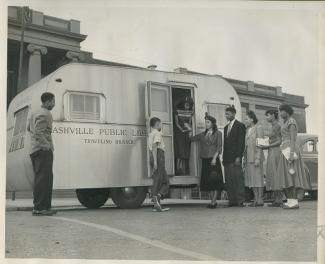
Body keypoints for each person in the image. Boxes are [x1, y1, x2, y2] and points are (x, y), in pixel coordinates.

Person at [27, 92, 56, 216]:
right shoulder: (45, 113)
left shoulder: (34, 112)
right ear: (48, 101)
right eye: (53, 102)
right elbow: (39, 132)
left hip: (35, 150)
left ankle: (40, 207)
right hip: (42, 150)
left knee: (41, 179)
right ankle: (41, 208)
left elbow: (29, 128)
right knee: (45, 179)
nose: (54, 104)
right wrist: (47, 145)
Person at [277, 104, 311, 209]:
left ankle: (294, 202)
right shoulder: (285, 122)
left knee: (292, 175)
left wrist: (291, 154)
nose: (280, 113)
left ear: (287, 111)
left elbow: (292, 139)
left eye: (282, 111)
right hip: (285, 150)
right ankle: (291, 200)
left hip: (290, 150)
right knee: (288, 176)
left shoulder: (291, 122)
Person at [190, 113, 224, 209]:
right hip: (205, 160)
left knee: (215, 180)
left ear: (213, 123)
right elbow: (192, 139)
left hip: (214, 159)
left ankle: (214, 201)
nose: (206, 124)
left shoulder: (218, 133)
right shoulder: (202, 134)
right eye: (205, 122)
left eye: (208, 122)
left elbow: (219, 147)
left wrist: (214, 158)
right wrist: (188, 129)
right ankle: (212, 201)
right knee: (209, 181)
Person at [223, 106, 246, 207]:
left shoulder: (240, 126)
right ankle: (232, 200)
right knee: (229, 180)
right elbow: (226, 145)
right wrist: (223, 158)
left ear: (233, 114)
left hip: (235, 158)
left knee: (238, 179)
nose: (226, 115)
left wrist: (238, 156)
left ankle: (240, 200)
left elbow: (241, 142)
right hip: (227, 158)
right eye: (226, 114)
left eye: (228, 114)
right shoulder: (225, 128)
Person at [261, 109, 283, 207]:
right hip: (271, 151)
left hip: (276, 151)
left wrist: (267, 146)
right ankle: (276, 199)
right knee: (272, 174)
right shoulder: (272, 126)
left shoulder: (277, 126)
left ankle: (279, 199)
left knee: (276, 174)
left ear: (273, 115)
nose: (267, 117)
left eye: (268, 115)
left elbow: (279, 141)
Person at [148, 117, 170, 212]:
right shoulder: (157, 133)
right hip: (158, 155)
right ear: (157, 125)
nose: (161, 126)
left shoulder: (151, 133)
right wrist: (156, 161)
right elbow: (154, 146)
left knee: (165, 181)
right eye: (160, 124)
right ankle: (155, 198)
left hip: (154, 155)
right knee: (158, 179)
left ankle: (157, 199)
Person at [243, 110, 265, 207]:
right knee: (252, 180)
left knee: (258, 179)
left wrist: (257, 158)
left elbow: (260, 144)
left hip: (256, 158)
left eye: (246, 118)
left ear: (252, 119)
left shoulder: (258, 128)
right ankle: (255, 199)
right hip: (248, 157)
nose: (245, 120)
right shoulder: (247, 130)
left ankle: (260, 200)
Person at [174, 96, 194, 175]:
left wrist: (189, 130)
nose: (187, 105)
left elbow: (189, 123)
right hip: (179, 133)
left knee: (186, 151)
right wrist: (181, 129)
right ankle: (178, 169)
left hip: (186, 132)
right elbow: (176, 123)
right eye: (186, 104)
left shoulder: (190, 113)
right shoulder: (177, 111)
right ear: (183, 104)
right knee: (180, 150)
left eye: (188, 104)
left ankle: (185, 170)